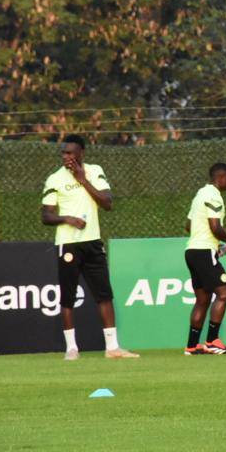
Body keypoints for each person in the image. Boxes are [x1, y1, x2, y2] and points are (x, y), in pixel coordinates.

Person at [41, 134, 138, 360]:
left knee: (104, 295)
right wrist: (68, 219)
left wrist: (83, 179)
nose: (66, 157)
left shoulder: (94, 171)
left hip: (93, 242)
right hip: (68, 244)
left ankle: (112, 348)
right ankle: (71, 348)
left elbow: (107, 203)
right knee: (68, 297)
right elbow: (46, 215)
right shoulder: (54, 179)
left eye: (71, 153)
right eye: (63, 153)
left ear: (81, 153)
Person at [183, 163, 226, 355]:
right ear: (220, 177)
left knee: (202, 299)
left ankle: (192, 346)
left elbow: (188, 225)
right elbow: (215, 226)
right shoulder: (214, 196)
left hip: (191, 251)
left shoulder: (200, 194)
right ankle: (212, 341)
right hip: (204, 252)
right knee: (224, 292)